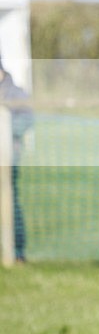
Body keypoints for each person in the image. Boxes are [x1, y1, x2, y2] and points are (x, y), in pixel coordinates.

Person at [0, 60, 33, 262]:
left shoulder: (15, 93)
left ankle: (17, 252)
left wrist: (10, 135)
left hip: (8, 155)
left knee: (10, 200)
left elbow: (27, 119)